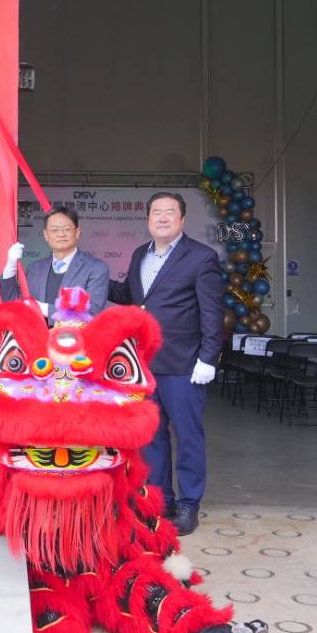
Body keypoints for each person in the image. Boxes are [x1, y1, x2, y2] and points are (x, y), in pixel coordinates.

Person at [107, 192, 224, 535]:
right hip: (144, 364)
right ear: (148, 219)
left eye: (169, 212)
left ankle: (189, 504)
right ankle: (160, 500)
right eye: (156, 212)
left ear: (182, 219)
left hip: (184, 365)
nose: (162, 218)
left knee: (188, 437)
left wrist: (208, 358)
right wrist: (88, 276)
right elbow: (130, 296)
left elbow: (212, 313)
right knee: (152, 438)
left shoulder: (201, 257)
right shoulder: (139, 254)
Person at [0, 205, 110, 320]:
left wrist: (45, 309)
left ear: (77, 233)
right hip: (37, 332)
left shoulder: (96, 268)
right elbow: (13, 303)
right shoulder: (34, 268)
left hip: (73, 332)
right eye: (55, 230)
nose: (61, 234)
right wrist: (10, 266)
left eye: (66, 229)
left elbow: (92, 311)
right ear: (46, 235)